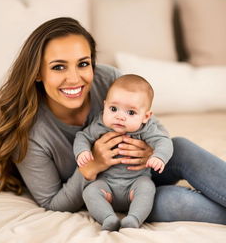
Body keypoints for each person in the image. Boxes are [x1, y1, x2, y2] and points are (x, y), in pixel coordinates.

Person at [0, 17, 226, 227]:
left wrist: (149, 150)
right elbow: (52, 202)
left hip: (143, 172)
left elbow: (151, 123)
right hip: (110, 192)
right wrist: (94, 164)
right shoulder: (28, 134)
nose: (74, 79)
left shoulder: (109, 81)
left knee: (179, 146)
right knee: (171, 201)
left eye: (83, 64)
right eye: (59, 67)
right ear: (38, 72)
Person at [73, 74, 173, 230]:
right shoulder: (100, 125)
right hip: (106, 185)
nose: (120, 117)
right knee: (90, 191)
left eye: (131, 113)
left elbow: (164, 142)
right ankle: (108, 218)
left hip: (135, 183)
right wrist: (82, 152)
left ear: (146, 116)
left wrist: (159, 156)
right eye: (113, 109)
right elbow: (82, 136)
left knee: (147, 188)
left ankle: (133, 219)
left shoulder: (146, 129)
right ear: (104, 106)